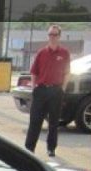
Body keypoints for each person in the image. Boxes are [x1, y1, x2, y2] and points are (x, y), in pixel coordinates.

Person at [24, 24, 71, 157]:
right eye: (50, 34)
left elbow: (68, 72)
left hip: (56, 91)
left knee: (54, 122)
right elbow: (34, 71)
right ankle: (29, 148)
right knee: (35, 121)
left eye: (55, 34)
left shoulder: (64, 53)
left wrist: (63, 88)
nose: (52, 37)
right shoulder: (41, 53)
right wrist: (34, 87)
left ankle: (51, 148)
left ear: (59, 36)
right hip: (41, 90)